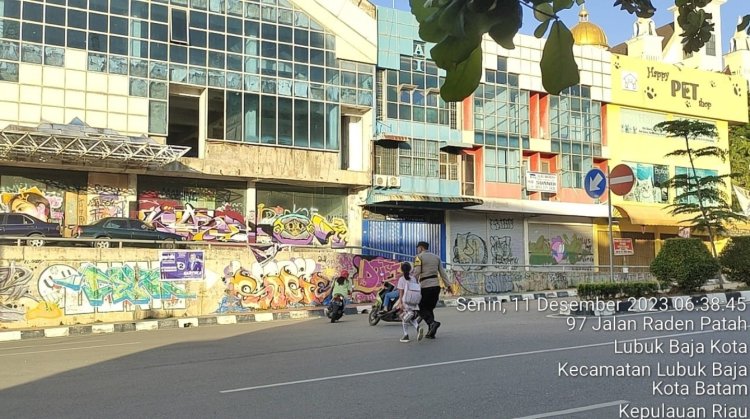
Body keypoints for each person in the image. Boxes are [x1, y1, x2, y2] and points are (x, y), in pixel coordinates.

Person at [413, 241, 449, 339]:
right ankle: (431, 332)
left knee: (419, 307)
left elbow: (417, 272)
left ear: (420, 248)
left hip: (426, 286)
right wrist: (448, 285)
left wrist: (411, 285)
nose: (417, 250)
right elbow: (443, 273)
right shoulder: (436, 257)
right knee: (429, 309)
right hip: (436, 286)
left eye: (418, 248)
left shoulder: (418, 257)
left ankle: (432, 323)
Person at [395, 262, 423, 343]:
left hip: (406, 301)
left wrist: (400, 302)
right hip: (413, 301)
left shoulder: (401, 279)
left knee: (404, 318)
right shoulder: (413, 278)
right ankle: (417, 328)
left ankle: (406, 335)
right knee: (410, 317)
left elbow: (401, 292)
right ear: (410, 269)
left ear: (402, 270)